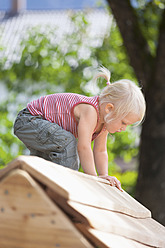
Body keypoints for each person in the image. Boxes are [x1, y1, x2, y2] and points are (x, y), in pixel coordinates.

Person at [13, 66, 146, 192]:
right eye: (123, 122)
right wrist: (93, 179)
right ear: (109, 109)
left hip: (45, 131)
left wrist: (104, 177)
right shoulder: (91, 111)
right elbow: (83, 147)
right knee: (68, 143)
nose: (124, 128)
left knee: (45, 166)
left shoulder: (104, 123)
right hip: (30, 121)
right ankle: (67, 188)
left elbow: (100, 151)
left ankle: (36, 188)